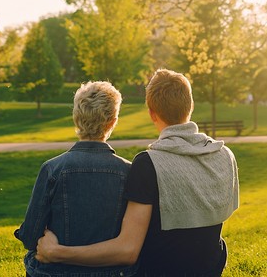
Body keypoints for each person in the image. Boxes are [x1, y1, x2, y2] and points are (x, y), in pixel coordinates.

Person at [37, 69, 239, 277]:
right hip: (210, 269)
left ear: (152, 113)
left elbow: (127, 251)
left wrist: (57, 252)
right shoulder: (224, 154)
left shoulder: (149, 164)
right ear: (190, 106)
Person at [16, 81, 133, 277]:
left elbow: (30, 237)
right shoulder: (128, 172)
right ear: (113, 122)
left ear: (76, 118)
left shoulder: (53, 169)